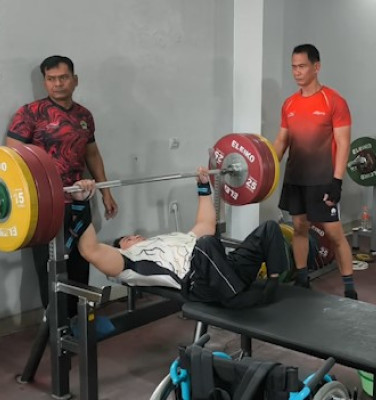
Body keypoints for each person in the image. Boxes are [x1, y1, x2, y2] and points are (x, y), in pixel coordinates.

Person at [70, 168, 288, 308]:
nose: (135, 236)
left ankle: (274, 280)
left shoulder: (172, 239)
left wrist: (203, 185)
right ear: (121, 248)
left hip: (224, 267)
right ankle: (234, 299)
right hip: (201, 282)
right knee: (207, 243)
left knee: (268, 229)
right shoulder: (129, 262)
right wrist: (81, 203)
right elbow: (91, 250)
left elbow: (205, 225)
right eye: (128, 238)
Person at [5, 55, 117, 316]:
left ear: (74, 80)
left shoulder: (84, 115)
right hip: (45, 205)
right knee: (50, 267)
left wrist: (106, 192)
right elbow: (12, 159)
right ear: (44, 82)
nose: (57, 84)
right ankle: (55, 325)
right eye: (51, 79)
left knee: (81, 260)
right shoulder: (29, 113)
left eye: (63, 78)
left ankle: (80, 320)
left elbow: (92, 155)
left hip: (79, 200)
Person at [273, 44, 357, 299]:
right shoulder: (289, 104)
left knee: (334, 233)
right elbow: (281, 141)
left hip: (322, 179)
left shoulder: (333, 101)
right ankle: (302, 279)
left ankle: (349, 288)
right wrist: (265, 169)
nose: (297, 72)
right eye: (293, 67)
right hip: (295, 178)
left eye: (302, 66)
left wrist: (337, 181)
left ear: (316, 67)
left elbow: (343, 143)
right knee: (299, 227)